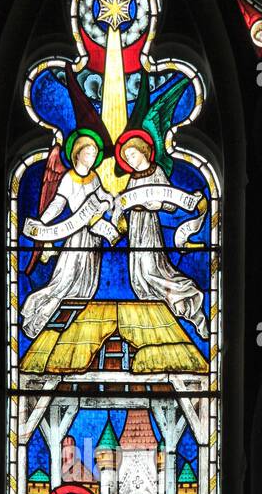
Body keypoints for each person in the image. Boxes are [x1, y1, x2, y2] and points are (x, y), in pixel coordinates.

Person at [21, 133, 113, 340]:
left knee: (88, 284)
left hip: (94, 237)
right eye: (87, 153)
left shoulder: (94, 178)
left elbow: (103, 196)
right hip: (76, 236)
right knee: (65, 282)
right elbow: (58, 203)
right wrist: (42, 223)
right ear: (76, 155)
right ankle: (39, 315)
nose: (91, 158)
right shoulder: (68, 179)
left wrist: (107, 202)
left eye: (94, 154)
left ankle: (74, 324)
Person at [116, 131, 208, 339]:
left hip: (149, 225)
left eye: (132, 154)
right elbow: (126, 203)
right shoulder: (132, 178)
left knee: (151, 270)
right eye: (127, 157)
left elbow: (170, 204)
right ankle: (154, 319)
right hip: (135, 227)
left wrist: (159, 204)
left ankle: (189, 299)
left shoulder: (156, 172)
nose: (130, 159)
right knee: (137, 276)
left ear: (144, 152)